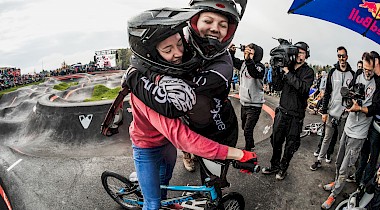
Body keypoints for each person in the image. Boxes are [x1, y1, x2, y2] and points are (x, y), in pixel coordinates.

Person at [121, 7, 257, 210]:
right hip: (147, 146)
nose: (178, 53)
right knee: (152, 203)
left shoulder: (163, 71)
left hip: (166, 144)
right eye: (167, 50)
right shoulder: (144, 89)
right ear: (151, 54)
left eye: (179, 44)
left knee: (163, 185)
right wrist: (238, 154)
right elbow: (183, 138)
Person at [321, 52, 377, 210]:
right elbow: (350, 91)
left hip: (359, 132)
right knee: (339, 161)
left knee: (346, 166)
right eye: (364, 68)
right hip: (348, 125)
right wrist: (349, 96)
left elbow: (376, 107)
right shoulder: (358, 74)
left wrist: (360, 107)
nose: (366, 71)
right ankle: (337, 181)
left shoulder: (377, 83)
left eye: (369, 69)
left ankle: (334, 193)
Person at [261, 41, 314, 180]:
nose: (298, 54)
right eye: (296, 51)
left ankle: (283, 168)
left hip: (296, 116)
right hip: (282, 112)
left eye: (301, 52)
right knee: (276, 141)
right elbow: (277, 87)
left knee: (291, 145)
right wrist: (276, 70)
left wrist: (287, 72)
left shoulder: (308, 72)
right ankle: (274, 166)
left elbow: (302, 88)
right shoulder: (287, 66)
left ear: (306, 55)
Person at [310, 46, 355, 170]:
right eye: (339, 56)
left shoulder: (352, 74)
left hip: (344, 115)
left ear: (347, 57)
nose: (341, 58)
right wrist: (324, 111)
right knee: (326, 138)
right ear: (337, 57)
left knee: (341, 141)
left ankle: (339, 165)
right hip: (332, 112)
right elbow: (327, 93)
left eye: (343, 56)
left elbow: (354, 95)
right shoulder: (332, 72)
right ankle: (319, 160)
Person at [349, 51, 380, 186]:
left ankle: (364, 183)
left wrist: (362, 109)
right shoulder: (373, 78)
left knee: (373, 156)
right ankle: (357, 177)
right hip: (371, 121)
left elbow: (376, 106)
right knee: (364, 151)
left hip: (378, 126)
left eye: (375, 65)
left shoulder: (378, 81)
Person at [229, 43, 265, 151]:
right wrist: (231, 52)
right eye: (246, 52)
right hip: (244, 102)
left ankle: (248, 150)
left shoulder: (260, 67)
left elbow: (254, 73)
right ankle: (251, 143)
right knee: (244, 127)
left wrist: (249, 60)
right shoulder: (244, 64)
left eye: (251, 53)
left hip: (255, 104)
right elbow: (233, 62)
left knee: (248, 130)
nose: (248, 54)